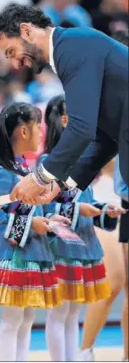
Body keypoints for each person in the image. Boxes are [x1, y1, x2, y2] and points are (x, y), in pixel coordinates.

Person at [0, 4, 129, 205]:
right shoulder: (72, 47)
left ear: (27, 31)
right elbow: (105, 138)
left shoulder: (73, 47)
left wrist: (41, 177)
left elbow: (81, 128)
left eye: (12, 52)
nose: (15, 64)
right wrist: (62, 184)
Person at [0, 102, 72, 361]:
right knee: (13, 317)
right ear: (23, 131)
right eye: (37, 127)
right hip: (13, 254)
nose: (42, 133)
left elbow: (30, 209)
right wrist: (30, 225)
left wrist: (48, 219)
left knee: (26, 316)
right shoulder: (5, 172)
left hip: (31, 250)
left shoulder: (24, 170)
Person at [39, 95, 124, 361]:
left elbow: (84, 202)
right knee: (60, 309)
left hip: (81, 237)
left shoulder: (78, 159)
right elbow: (46, 206)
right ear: (65, 121)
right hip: (61, 240)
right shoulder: (51, 161)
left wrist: (99, 211)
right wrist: (83, 211)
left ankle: (77, 357)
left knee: (71, 310)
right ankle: (78, 353)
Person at [77, 28, 129, 362]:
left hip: (119, 190)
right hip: (103, 191)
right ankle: (84, 351)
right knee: (112, 281)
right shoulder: (94, 97)